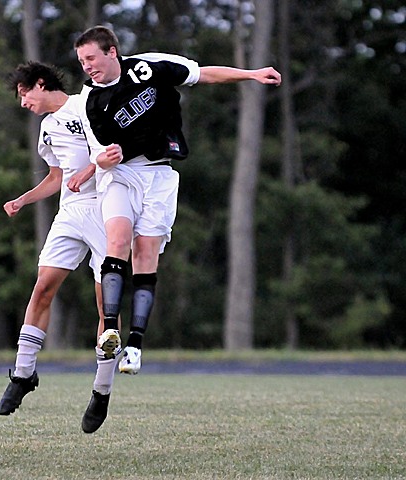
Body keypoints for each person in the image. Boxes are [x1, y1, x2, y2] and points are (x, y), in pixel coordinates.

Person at [73, 26, 282, 374]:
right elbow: (103, 153)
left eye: (91, 58)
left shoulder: (151, 67)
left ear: (112, 52)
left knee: (146, 254)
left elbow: (203, 74)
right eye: (82, 61)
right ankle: (110, 327)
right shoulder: (90, 101)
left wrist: (251, 74)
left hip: (160, 175)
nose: (87, 66)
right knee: (118, 241)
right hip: (121, 175)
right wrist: (99, 162)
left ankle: (135, 346)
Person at [0, 61, 119, 433]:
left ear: (39, 84)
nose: (23, 104)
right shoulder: (46, 129)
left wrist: (90, 172)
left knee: (106, 308)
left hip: (105, 209)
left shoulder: (87, 105)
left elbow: (115, 150)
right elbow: (56, 177)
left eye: (24, 95)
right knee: (43, 288)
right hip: (69, 213)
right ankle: (22, 374)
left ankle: (101, 391)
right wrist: (23, 200)